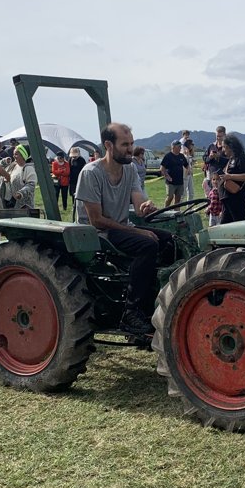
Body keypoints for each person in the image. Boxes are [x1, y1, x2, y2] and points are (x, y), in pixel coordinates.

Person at [77, 122, 170, 336]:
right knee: (147, 244)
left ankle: (154, 302)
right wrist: (136, 231)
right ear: (109, 145)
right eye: (125, 144)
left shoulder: (129, 169)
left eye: (132, 143)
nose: (130, 149)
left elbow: (138, 206)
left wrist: (145, 207)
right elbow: (96, 220)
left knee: (169, 241)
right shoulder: (91, 173)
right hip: (95, 234)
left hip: (119, 228)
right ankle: (131, 312)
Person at [214, 133, 245, 224]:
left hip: (237, 198)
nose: (223, 150)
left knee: (239, 223)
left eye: (224, 147)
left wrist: (229, 176)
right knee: (225, 224)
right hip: (227, 198)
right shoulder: (231, 159)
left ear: (230, 146)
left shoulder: (241, 158)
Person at [0, 144, 38, 210]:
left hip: (22, 206)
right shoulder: (12, 166)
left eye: (16, 154)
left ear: (23, 155)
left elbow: (31, 185)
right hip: (7, 202)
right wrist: (5, 161)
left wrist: (20, 193)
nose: (13, 156)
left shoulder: (28, 168)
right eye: (13, 154)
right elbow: (0, 167)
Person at [161, 140, 188, 207]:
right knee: (170, 197)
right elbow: (162, 168)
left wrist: (187, 172)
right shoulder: (168, 156)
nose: (180, 148)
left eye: (180, 146)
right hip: (170, 182)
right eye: (179, 146)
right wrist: (167, 176)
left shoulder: (181, 156)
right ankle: (165, 210)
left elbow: (186, 165)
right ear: (173, 147)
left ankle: (176, 213)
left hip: (180, 181)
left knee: (178, 198)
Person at [203, 126, 228, 190]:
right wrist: (210, 157)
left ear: (225, 135)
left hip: (222, 177)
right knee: (212, 196)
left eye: (220, 136)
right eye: (217, 136)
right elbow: (205, 159)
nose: (218, 138)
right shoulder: (211, 146)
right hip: (212, 177)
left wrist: (219, 157)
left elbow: (230, 161)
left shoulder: (227, 147)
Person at [69, 146, 86, 220]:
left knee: (79, 194)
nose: (74, 157)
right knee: (73, 194)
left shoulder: (82, 160)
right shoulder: (70, 160)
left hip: (79, 179)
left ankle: (80, 207)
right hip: (72, 180)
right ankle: (74, 205)